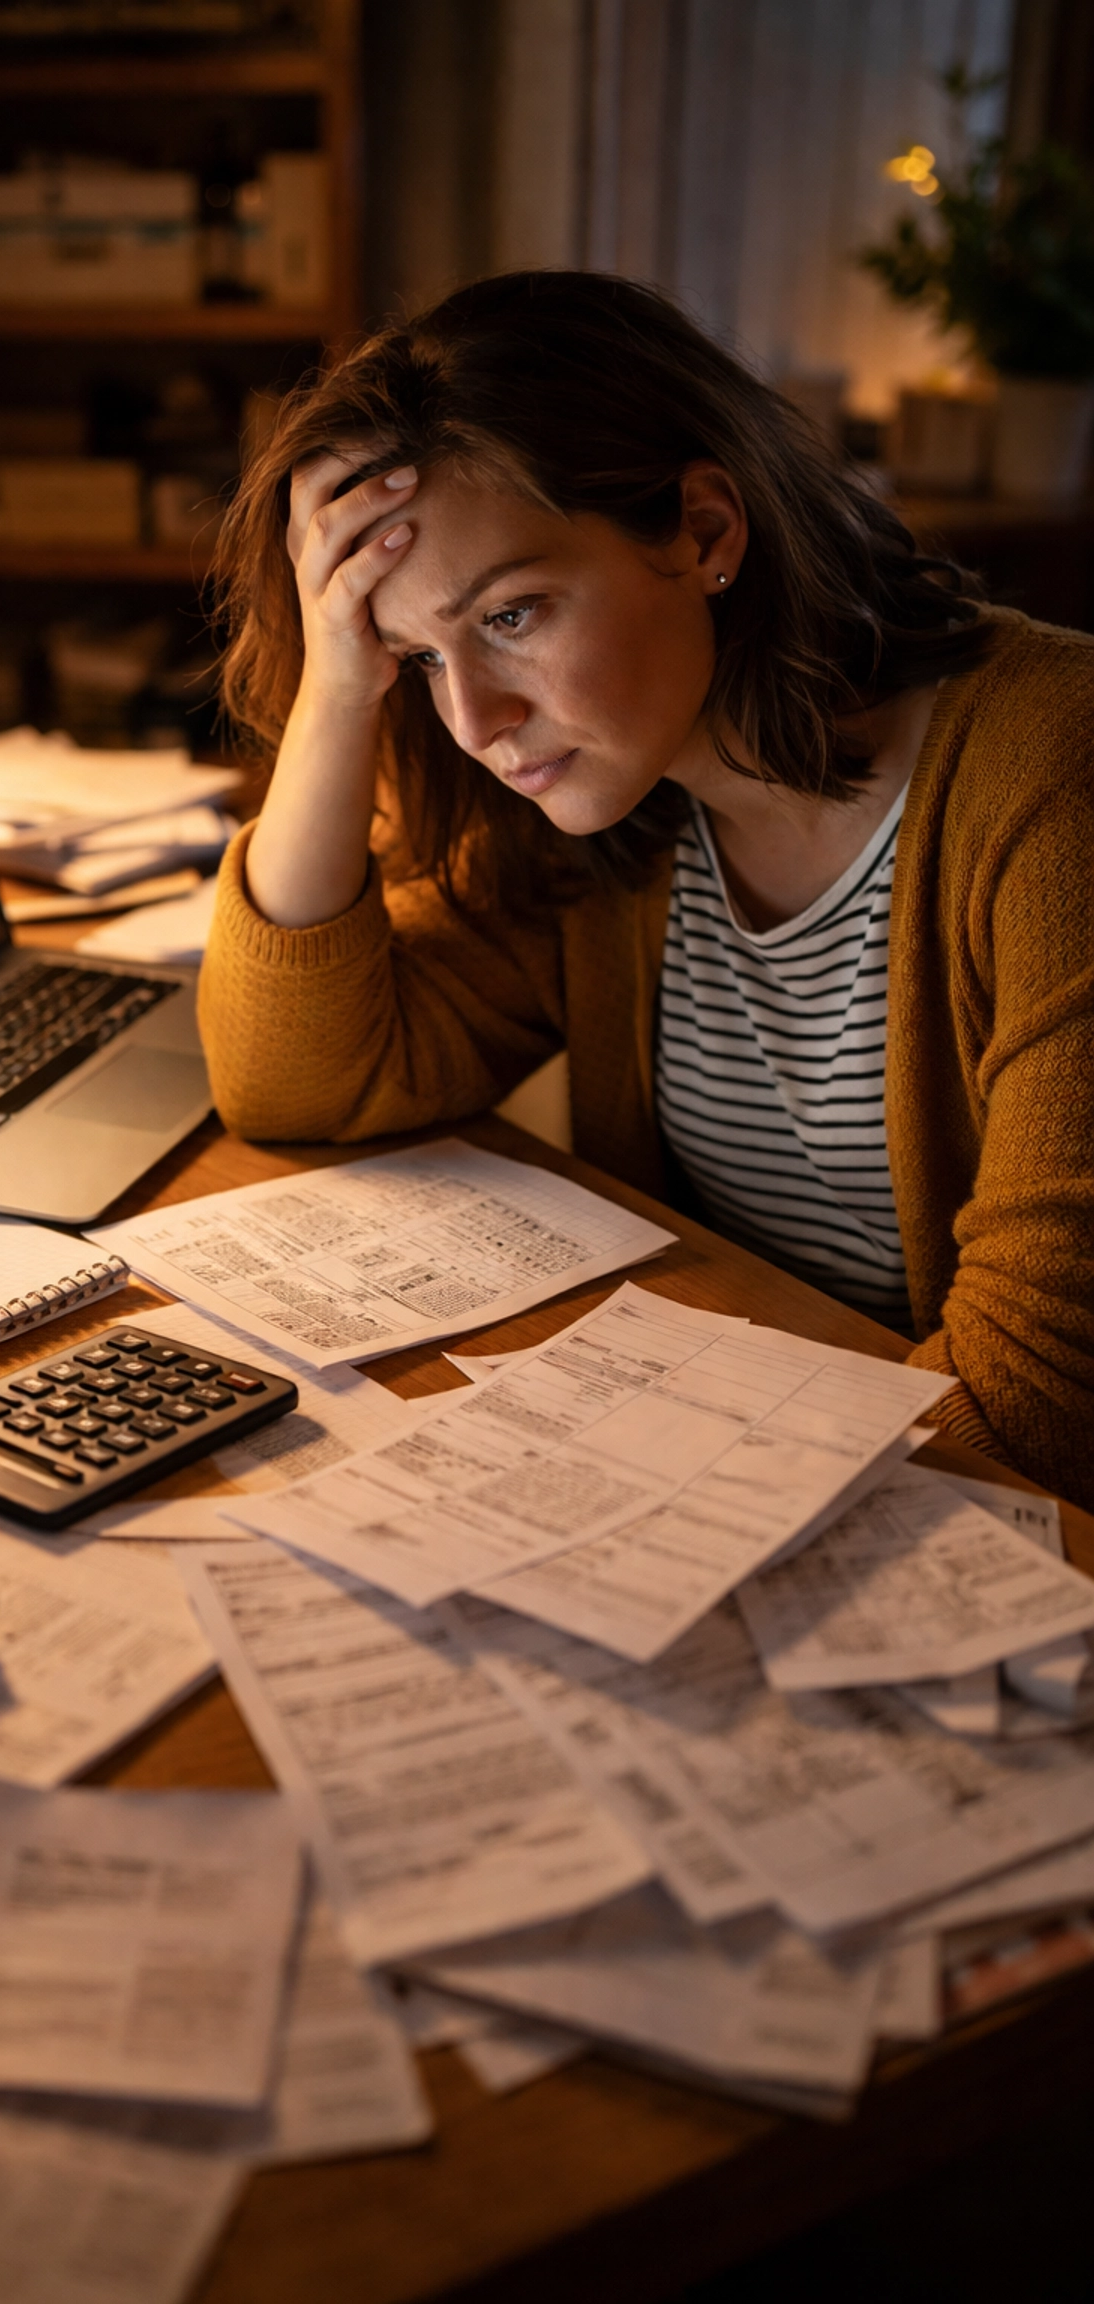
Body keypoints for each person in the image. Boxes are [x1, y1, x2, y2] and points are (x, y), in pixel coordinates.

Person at [198, 271, 1094, 1509]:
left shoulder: (1053, 774)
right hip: (790, 1451)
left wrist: (639, 1501)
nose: (476, 722)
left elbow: (1041, 1401)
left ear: (704, 532)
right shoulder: (613, 816)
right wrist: (338, 690)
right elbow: (302, 1083)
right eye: (419, 658)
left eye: (511, 615)